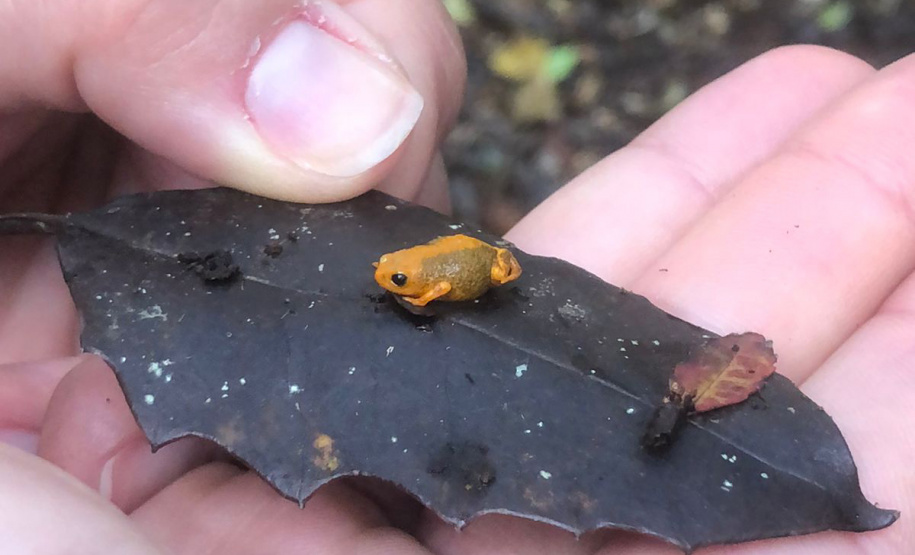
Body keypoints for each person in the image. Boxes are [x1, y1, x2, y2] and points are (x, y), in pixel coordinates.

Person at [0, 1, 911, 553]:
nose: (392, 281)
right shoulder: (401, 279)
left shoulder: (433, 281)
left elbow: (462, 281)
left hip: (472, 273)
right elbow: (404, 288)